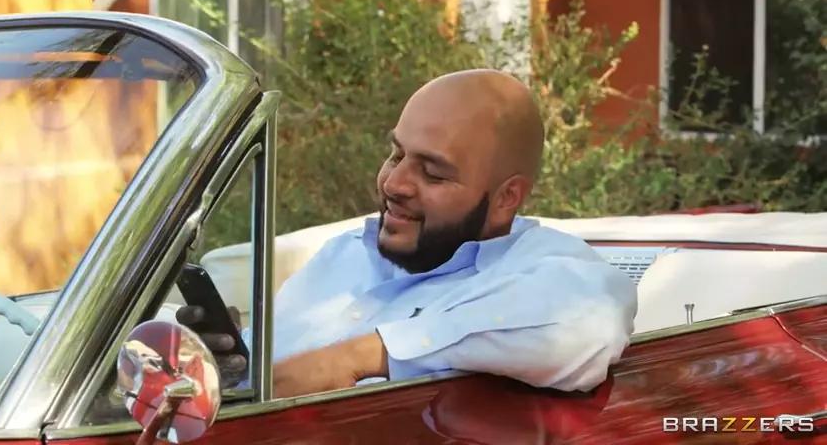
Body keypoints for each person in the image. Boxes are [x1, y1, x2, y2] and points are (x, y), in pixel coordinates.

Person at [177, 69, 638, 399]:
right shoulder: (345, 254)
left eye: (433, 173)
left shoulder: (540, 270)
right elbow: (277, 379)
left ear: (506, 197)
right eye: (396, 155)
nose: (394, 184)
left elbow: (588, 326)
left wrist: (364, 356)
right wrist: (234, 365)